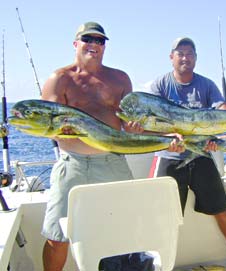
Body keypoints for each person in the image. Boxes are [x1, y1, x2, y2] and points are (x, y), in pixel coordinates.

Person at [40, 22, 181, 271]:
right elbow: (45, 124)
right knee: (57, 235)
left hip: (112, 160)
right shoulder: (59, 79)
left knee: (126, 229)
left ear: (105, 47)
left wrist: (167, 135)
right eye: (88, 39)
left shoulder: (119, 79)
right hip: (73, 164)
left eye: (100, 41)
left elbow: (129, 124)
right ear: (76, 43)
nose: (94, 44)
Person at [149, 37, 226, 271]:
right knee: (164, 219)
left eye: (190, 53)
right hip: (170, 157)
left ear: (195, 58)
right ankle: (159, 266)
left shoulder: (206, 85)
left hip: (202, 155)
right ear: (171, 57)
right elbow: (151, 121)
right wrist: (168, 138)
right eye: (180, 53)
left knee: (221, 210)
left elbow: (221, 109)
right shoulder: (160, 85)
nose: (185, 58)